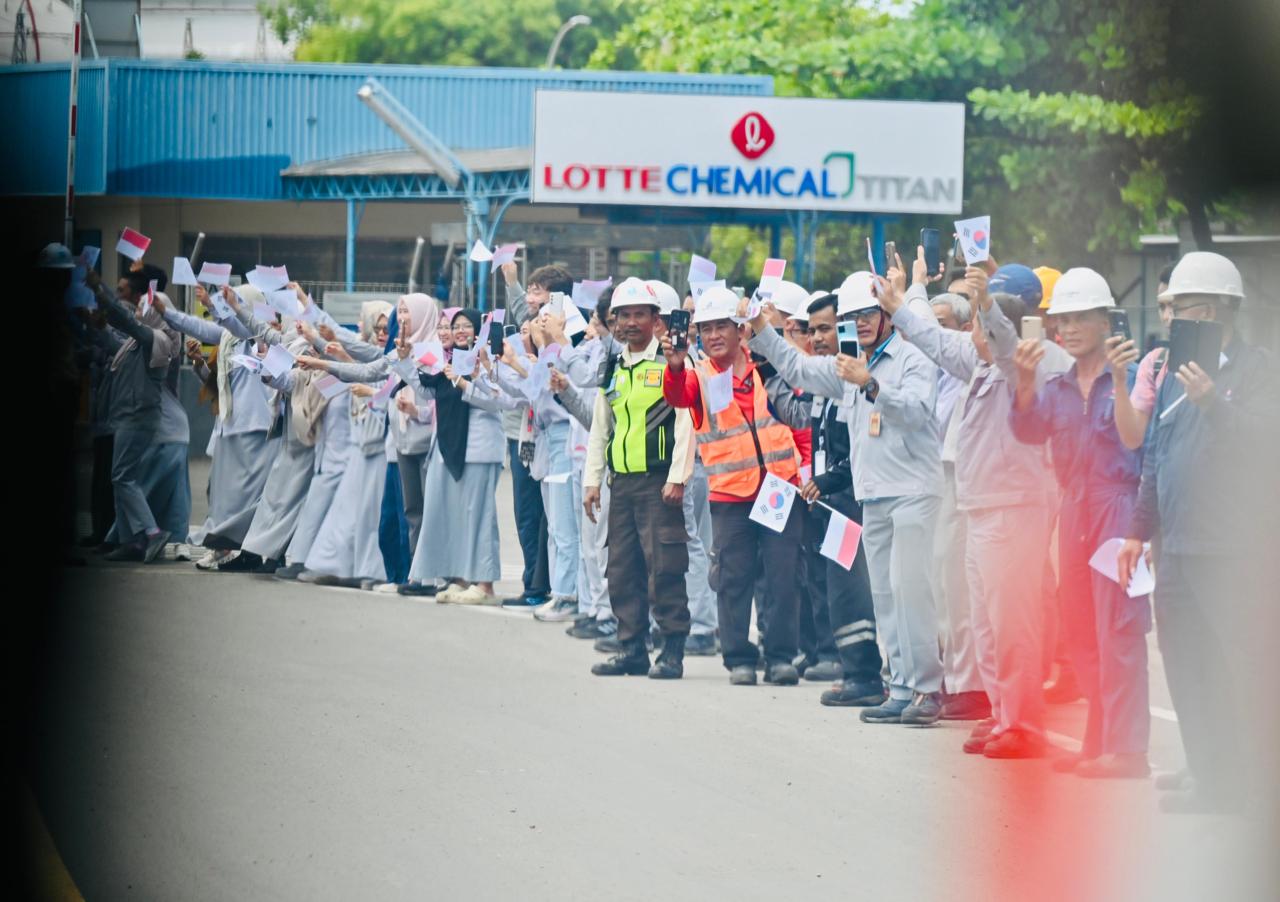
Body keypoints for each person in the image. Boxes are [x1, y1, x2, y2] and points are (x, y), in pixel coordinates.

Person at [885, 252, 1069, 757]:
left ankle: (1023, 724)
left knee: (1013, 625)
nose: (970, 336)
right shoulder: (979, 364)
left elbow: (1003, 341)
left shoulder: (1016, 364)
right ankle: (1001, 713)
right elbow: (935, 340)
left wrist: (985, 300)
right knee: (987, 624)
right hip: (982, 508)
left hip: (1011, 510)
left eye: (980, 326)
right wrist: (899, 304)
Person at [1116, 252, 1280, 812]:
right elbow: (1157, 456)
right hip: (1178, 547)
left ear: (1209, 310)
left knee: (1239, 668)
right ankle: (1212, 782)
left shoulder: (1257, 370)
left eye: (1178, 306)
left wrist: (1213, 402)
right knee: (1188, 668)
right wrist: (1139, 530)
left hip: (1231, 548)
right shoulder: (1169, 375)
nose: (1168, 317)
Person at [745, 273, 946, 723]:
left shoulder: (912, 357)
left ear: (888, 315)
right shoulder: (849, 364)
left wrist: (870, 384)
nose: (861, 324)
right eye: (853, 317)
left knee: (911, 591)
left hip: (913, 491)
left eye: (868, 315)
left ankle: (927, 690)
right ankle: (899, 688)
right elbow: (798, 371)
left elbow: (916, 412)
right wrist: (763, 330)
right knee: (885, 596)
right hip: (874, 496)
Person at [1009, 268, 1151, 778]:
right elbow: (1028, 431)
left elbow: (1142, 449)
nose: (1066, 328)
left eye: (1077, 318)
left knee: (1119, 627)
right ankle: (1098, 741)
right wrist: (1023, 384)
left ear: (1104, 319)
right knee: (1080, 627)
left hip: (1118, 507)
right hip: (1075, 509)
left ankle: (1128, 750)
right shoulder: (1059, 385)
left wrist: (1141, 527)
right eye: (1060, 320)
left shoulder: (1132, 379)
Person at [664, 287, 804, 687]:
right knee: (733, 579)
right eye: (705, 329)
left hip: (779, 488)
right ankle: (739, 658)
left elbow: (798, 418)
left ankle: (780, 657)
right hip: (730, 494)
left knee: (782, 576)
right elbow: (677, 396)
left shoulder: (767, 367)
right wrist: (674, 368)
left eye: (720, 326)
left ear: (740, 329)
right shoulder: (698, 376)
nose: (712, 336)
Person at [583, 278, 693, 678]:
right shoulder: (614, 365)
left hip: (659, 482)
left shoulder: (670, 362)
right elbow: (601, 426)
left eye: (639, 315)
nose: (631, 323)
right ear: (614, 321)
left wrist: (679, 475)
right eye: (623, 316)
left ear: (655, 319)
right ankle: (631, 648)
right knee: (622, 568)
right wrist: (592, 481)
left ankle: (671, 651)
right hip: (622, 483)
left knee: (664, 566)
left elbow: (687, 420)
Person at [793, 288, 886, 707]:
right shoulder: (829, 382)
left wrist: (828, 481)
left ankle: (866, 676)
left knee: (853, 591)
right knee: (836, 588)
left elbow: (859, 451)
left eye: (826, 328)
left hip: (852, 501)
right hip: (833, 505)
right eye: (811, 331)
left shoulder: (859, 377)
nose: (817, 338)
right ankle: (855, 671)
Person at [162, 283, 276, 567]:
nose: (230, 306)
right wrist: (165, 312)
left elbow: (238, 325)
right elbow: (198, 328)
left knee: (249, 496)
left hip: (255, 426)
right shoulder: (228, 339)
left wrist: (215, 307)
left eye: (236, 301)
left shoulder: (255, 334)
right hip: (229, 425)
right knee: (222, 494)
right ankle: (222, 546)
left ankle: (245, 549)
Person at [406, 309, 514, 603]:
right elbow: (430, 394)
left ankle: (484, 584)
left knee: (479, 517)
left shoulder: (486, 359)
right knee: (454, 515)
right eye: (456, 327)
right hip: (450, 445)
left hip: (479, 447)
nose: (461, 331)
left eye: (467, 326)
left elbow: (499, 403)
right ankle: (460, 577)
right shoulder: (447, 360)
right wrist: (407, 364)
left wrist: (466, 382)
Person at [84, 266, 175, 563]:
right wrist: (88, 323)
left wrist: (100, 291)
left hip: (137, 416)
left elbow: (123, 321)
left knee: (122, 477)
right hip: (128, 415)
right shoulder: (138, 342)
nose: (139, 309)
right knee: (121, 477)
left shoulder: (156, 339)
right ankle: (129, 540)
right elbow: (110, 342)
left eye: (144, 306)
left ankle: (149, 532)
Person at [500, 262, 571, 609]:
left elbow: (543, 384)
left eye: (537, 291)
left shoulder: (565, 341)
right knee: (528, 515)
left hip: (556, 440)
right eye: (528, 291)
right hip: (524, 436)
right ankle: (536, 583)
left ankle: (550, 589)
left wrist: (518, 365)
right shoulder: (530, 335)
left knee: (554, 523)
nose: (529, 300)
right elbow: (514, 392)